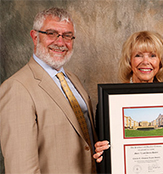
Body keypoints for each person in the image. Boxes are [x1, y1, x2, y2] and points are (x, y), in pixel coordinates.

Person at [0, 7, 97, 173]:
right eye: (51, 33)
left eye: (67, 36)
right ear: (35, 37)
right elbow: (21, 168)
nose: (60, 42)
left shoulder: (73, 80)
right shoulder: (17, 88)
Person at [93, 31, 163, 169]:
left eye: (153, 55)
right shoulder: (110, 104)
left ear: (161, 62)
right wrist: (101, 154)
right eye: (138, 55)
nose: (145, 61)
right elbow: (107, 151)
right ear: (129, 61)